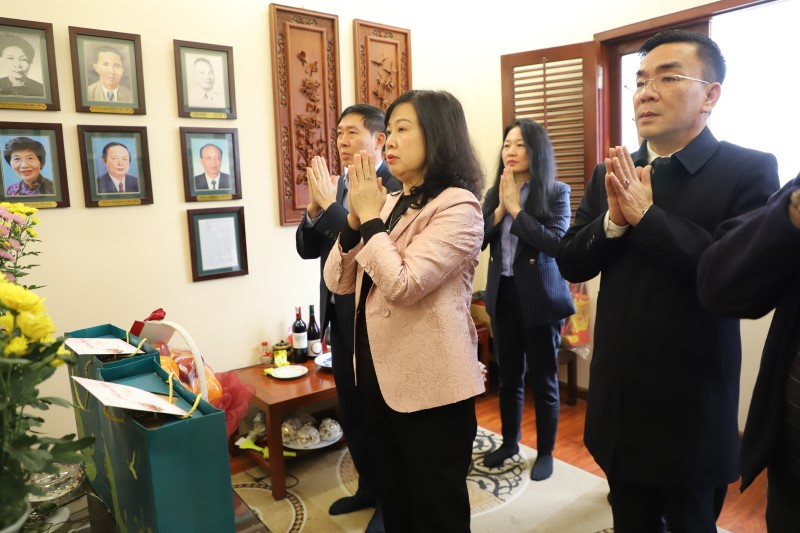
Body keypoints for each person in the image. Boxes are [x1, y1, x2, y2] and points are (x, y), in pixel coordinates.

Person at [556, 29, 780, 532]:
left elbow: (739, 277)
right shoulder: (613, 171)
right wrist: (613, 222)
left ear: (711, 95)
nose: (646, 93)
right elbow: (571, 262)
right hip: (619, 401)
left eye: (669, 77)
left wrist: (648, 218)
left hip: (692, 408)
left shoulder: (748, 169)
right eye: (639, 81)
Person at [323, 90, 485, 532]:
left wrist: (369, 218)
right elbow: (337, 280)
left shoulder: (459, 206)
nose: (389, 140)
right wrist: (354, 220)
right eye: (388, 129)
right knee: (396, 504)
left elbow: (403, 285)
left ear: (437, 135)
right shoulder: (392, 201)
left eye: (401, 129)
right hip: (380, 379)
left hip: (432, 389)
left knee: (436, 512)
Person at [296, 104, 400, 529]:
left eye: (352, 132)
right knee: (352, 411)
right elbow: (308, 248)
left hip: (375, 319)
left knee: (380, 417)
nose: (342, 140)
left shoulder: (392, 185)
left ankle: (390, 505)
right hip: (338, 317)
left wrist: (329, 205)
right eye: (339, 133)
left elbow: (376, 247)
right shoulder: (337, 185)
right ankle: (367, 489)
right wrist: (315, 210)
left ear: (379, 140)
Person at [698, 174, 800, 531]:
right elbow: (717, 285)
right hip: (792, 472)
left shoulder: (746, 169)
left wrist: (649, 218)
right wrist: (791, 214)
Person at [480, 119, 574, 480]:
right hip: (502, 295)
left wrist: (517, 211)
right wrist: (500, 209)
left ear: (536, 151)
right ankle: (509, 443)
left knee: (545, 381)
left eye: (520, 144)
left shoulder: (556, 192)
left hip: (540, 299)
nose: (511, 151)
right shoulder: (495, 192)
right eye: (507, 144)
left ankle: (546, 452)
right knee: (509, 378)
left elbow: (555, 243)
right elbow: (475, 240)